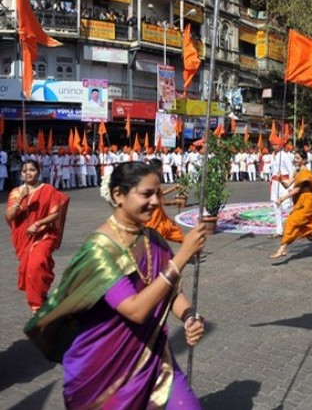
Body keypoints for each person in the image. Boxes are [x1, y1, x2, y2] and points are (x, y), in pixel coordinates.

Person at [24, 162, 207, 409]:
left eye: (158, 194)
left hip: (153, 355)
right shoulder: (100, 250)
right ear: (118, 195)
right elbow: (135, 310)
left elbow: (172, 292)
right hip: (106, 368)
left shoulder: (154, 240)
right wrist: (182, 257)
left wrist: (188, 316)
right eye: (146, 194)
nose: (155, 202)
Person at [5, 159, 69, 313]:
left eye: (32, 170)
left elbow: (56, 214)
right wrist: (21, 198)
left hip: (44, 233)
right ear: (21, 174)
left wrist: (38, 223)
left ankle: (36, 305)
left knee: (37, 263)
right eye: (25, 170)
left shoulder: (47, 189)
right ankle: (41, 295)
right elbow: (9, 215)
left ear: (38, 172)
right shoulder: (16, 192)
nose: (28, 173)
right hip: (23, 237)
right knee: (30, 269)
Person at [270, 149, 312, 261]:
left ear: (304, 160)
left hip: (308, 202)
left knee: (291, 221)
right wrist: (280, 179)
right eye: (295, 158)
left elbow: (296, 190)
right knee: (311, 227)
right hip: (301, 201)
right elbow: (288, 185)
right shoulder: (296, 172)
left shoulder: (305, 173)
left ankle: (282, 249)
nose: (296, 160)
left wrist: (282, 198)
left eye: (298, 158)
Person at [145, 158, 185, 243]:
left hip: (148, 214)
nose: (163, 170)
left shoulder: (146, 181)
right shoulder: (156, 183)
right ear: (158, 169)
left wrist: (173, 188)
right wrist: (176, 202)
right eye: (162, 168)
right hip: (157, 216)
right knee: (173, 231)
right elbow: (163, 202)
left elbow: (160, 194)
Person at [270, 137, 295, 238]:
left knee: (286, 206)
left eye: (276, 144)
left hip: (284, 183)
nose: (274, 146)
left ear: (280, 145)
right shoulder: (272, 156)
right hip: (274, 183)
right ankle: (279, 230)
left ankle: (295, 226)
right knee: (276, 206)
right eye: (273, 144)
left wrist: (291, 186)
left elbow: (291, 171)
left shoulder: (284, 156)